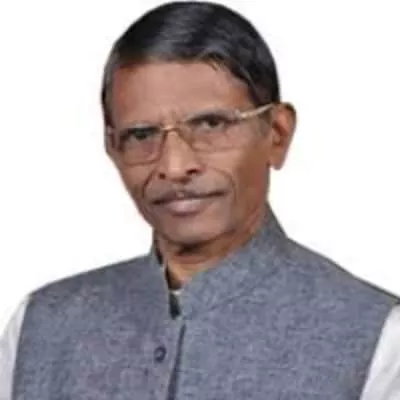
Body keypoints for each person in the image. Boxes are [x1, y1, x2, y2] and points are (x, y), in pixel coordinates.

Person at [1, 1, 399, 399]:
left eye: (211, 124)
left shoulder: (378, 339)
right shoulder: (39, 328)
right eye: (141, 135)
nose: (174, 167)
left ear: (277, 134)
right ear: (112, 147)